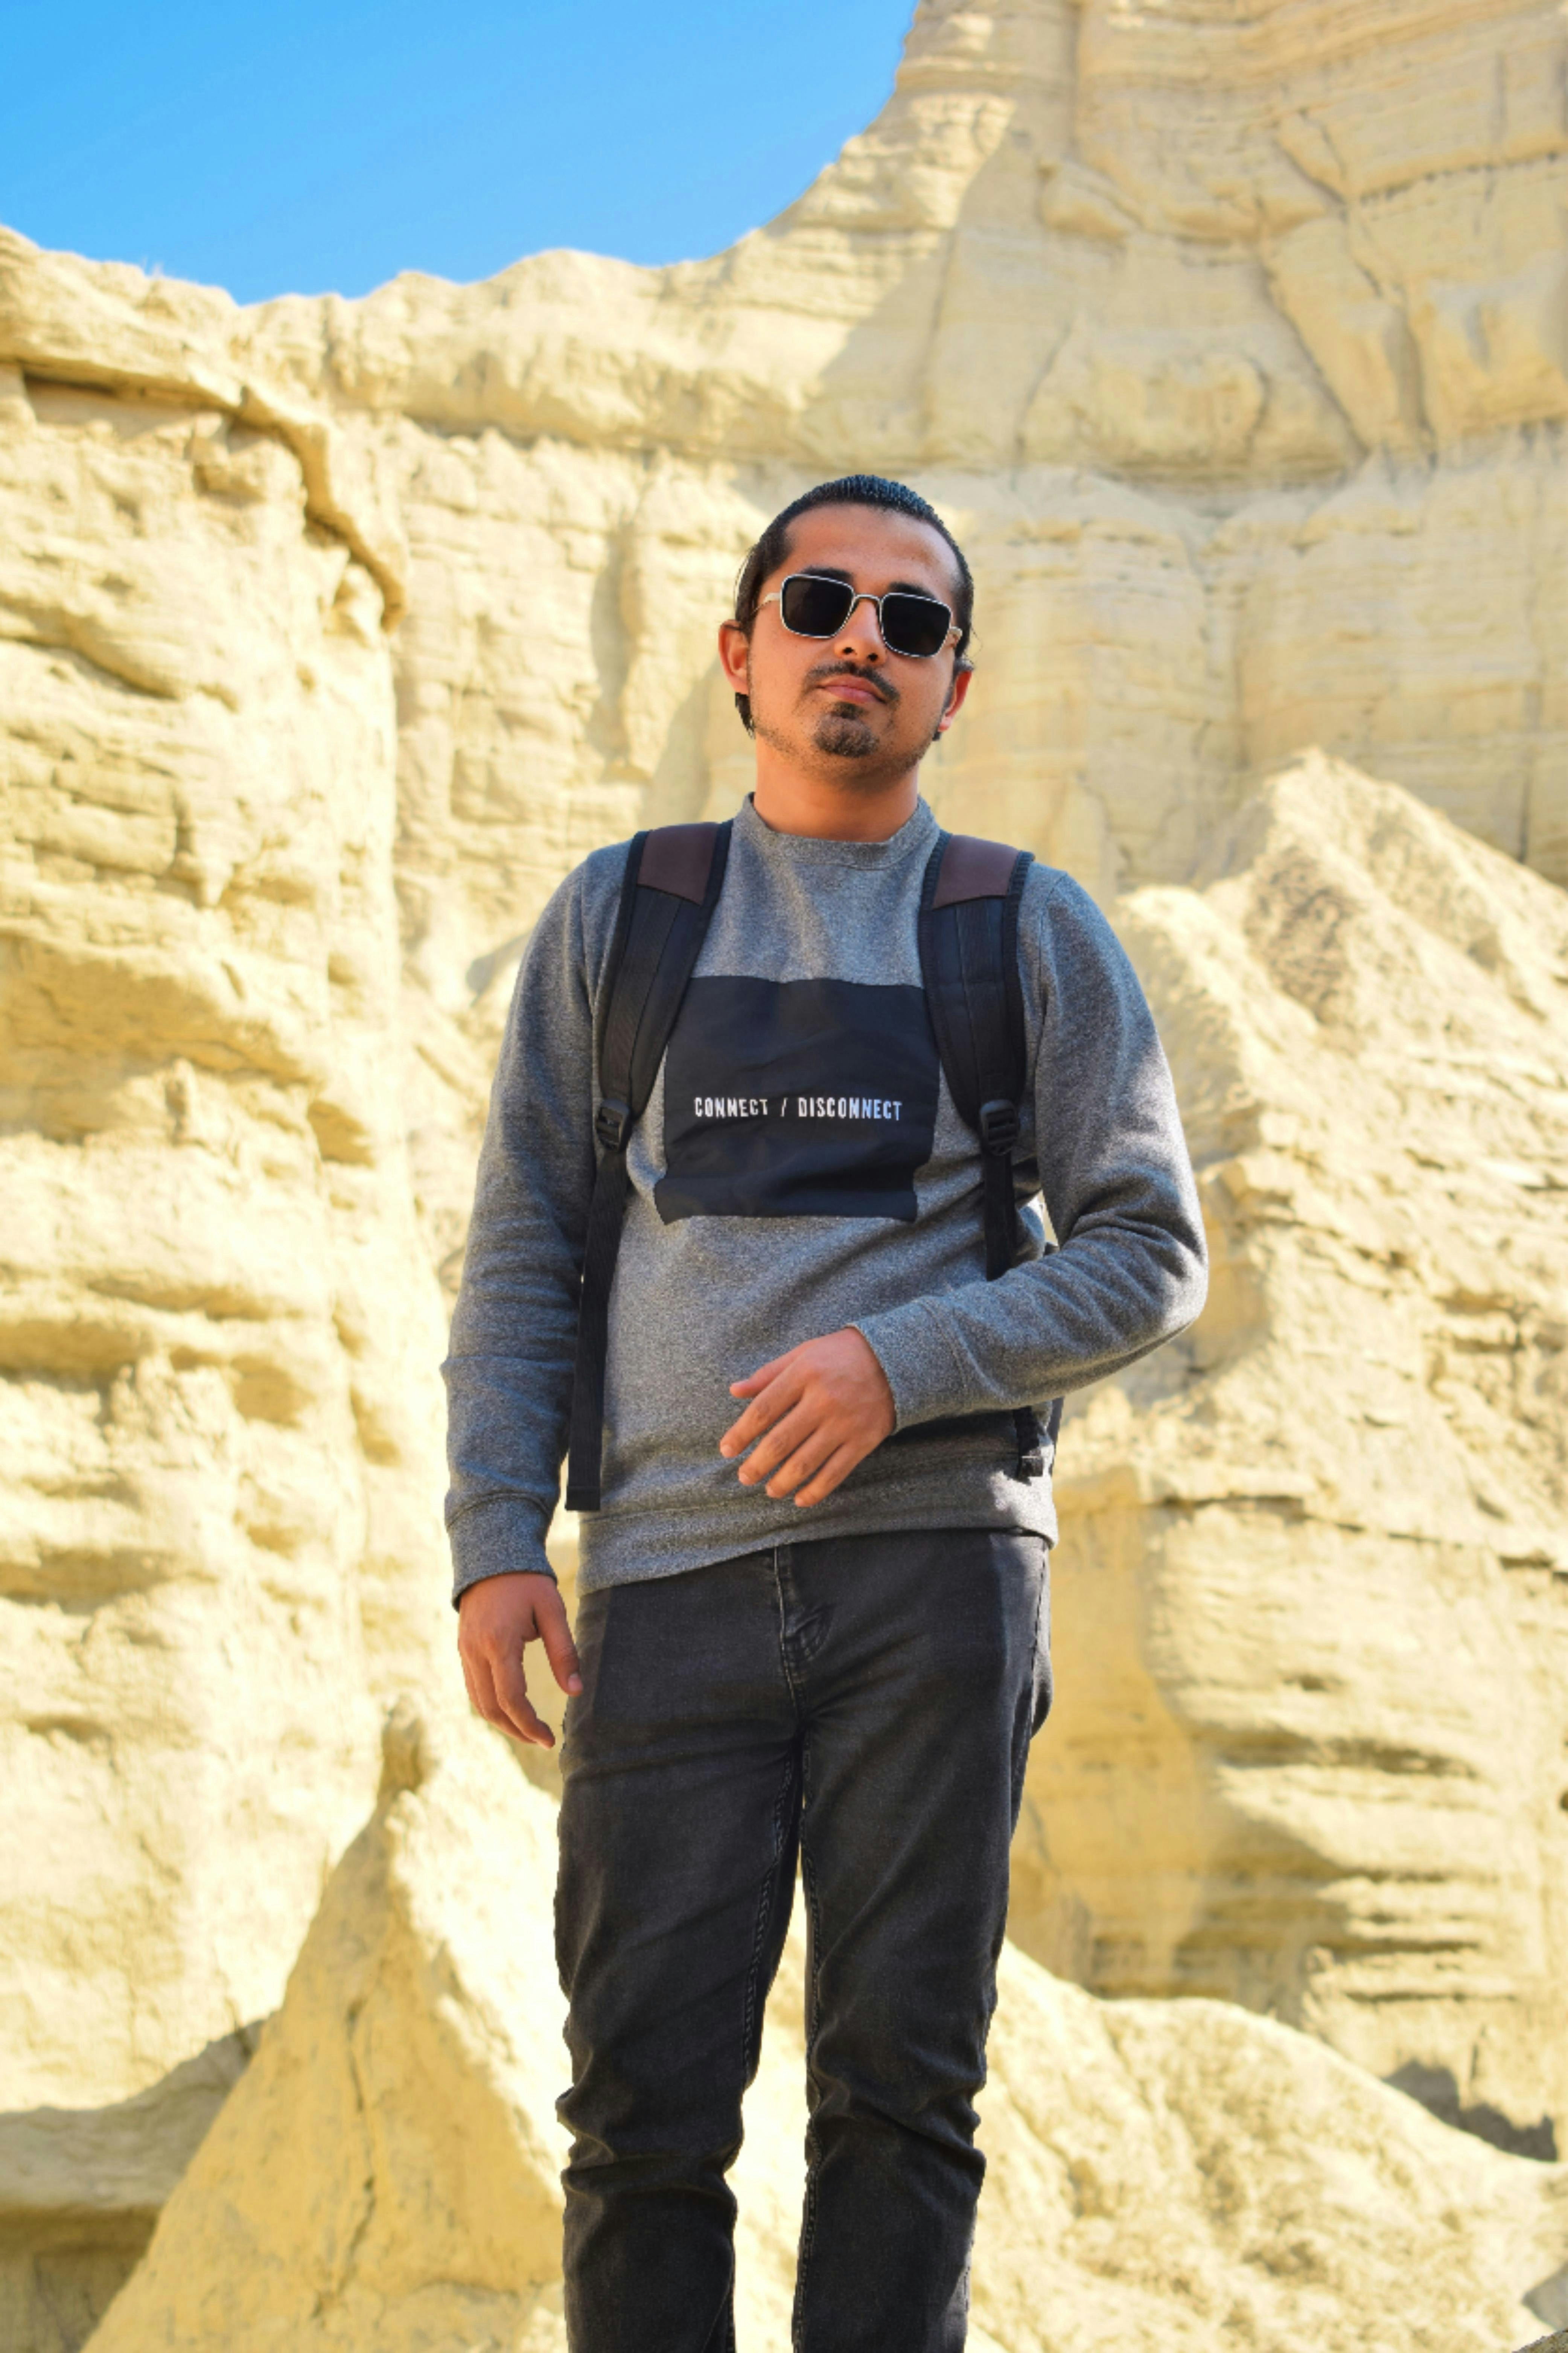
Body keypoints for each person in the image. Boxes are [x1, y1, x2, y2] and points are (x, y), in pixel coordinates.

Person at [444, 474, 1207, 2353]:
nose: (862, 638)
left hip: (931, 1591)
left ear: (955, 688)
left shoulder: (1022, 930)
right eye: (818, 604)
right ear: (740, 654)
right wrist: (491, 1541)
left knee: (897, 2104)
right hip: (669, 1591)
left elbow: (1147, 1253)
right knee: (638, 2122)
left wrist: (902, 1364)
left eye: (914, 620)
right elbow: (529, 1248)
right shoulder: (619, 920)